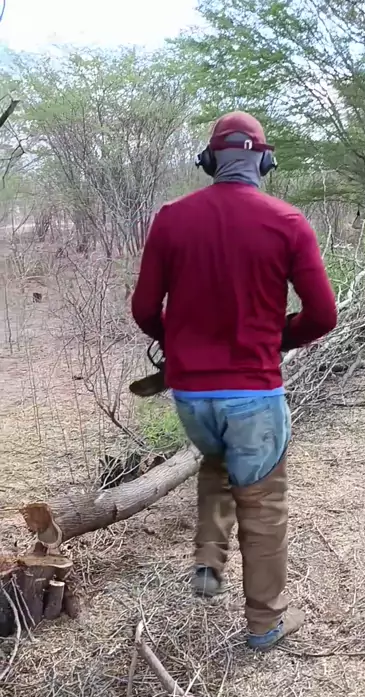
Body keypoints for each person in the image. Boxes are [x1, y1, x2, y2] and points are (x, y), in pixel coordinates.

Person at [131, 111, 337, 651]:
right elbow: (323, 315)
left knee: (218, 462)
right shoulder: (287, 222)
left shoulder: (172, 219)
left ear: (209, 161)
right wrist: (278, 338)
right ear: (264, 162)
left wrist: (180, 344)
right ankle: (265, 624)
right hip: (254, 394)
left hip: (192, 398)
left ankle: (208, 559)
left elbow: (145, 308)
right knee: (262, 506)